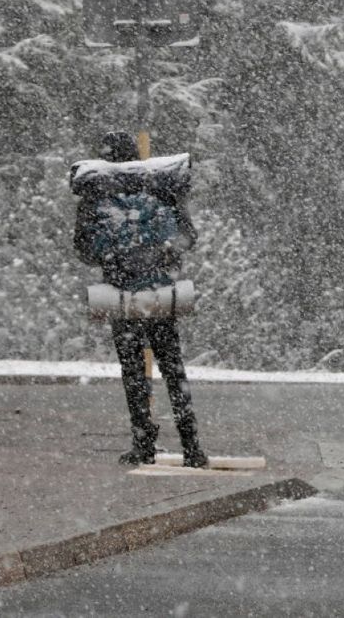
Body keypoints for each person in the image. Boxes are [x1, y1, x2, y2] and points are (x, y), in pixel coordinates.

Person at [74, 131, 208, 467]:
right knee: (173, 371)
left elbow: (85, 249)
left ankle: (143, 443)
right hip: (161, 294)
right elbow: (187, 238)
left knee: (134, 374)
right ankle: (191, 446)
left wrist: (115, 260)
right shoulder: (163, 188)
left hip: (121, 296)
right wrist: (160, 256)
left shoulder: (96, 195)